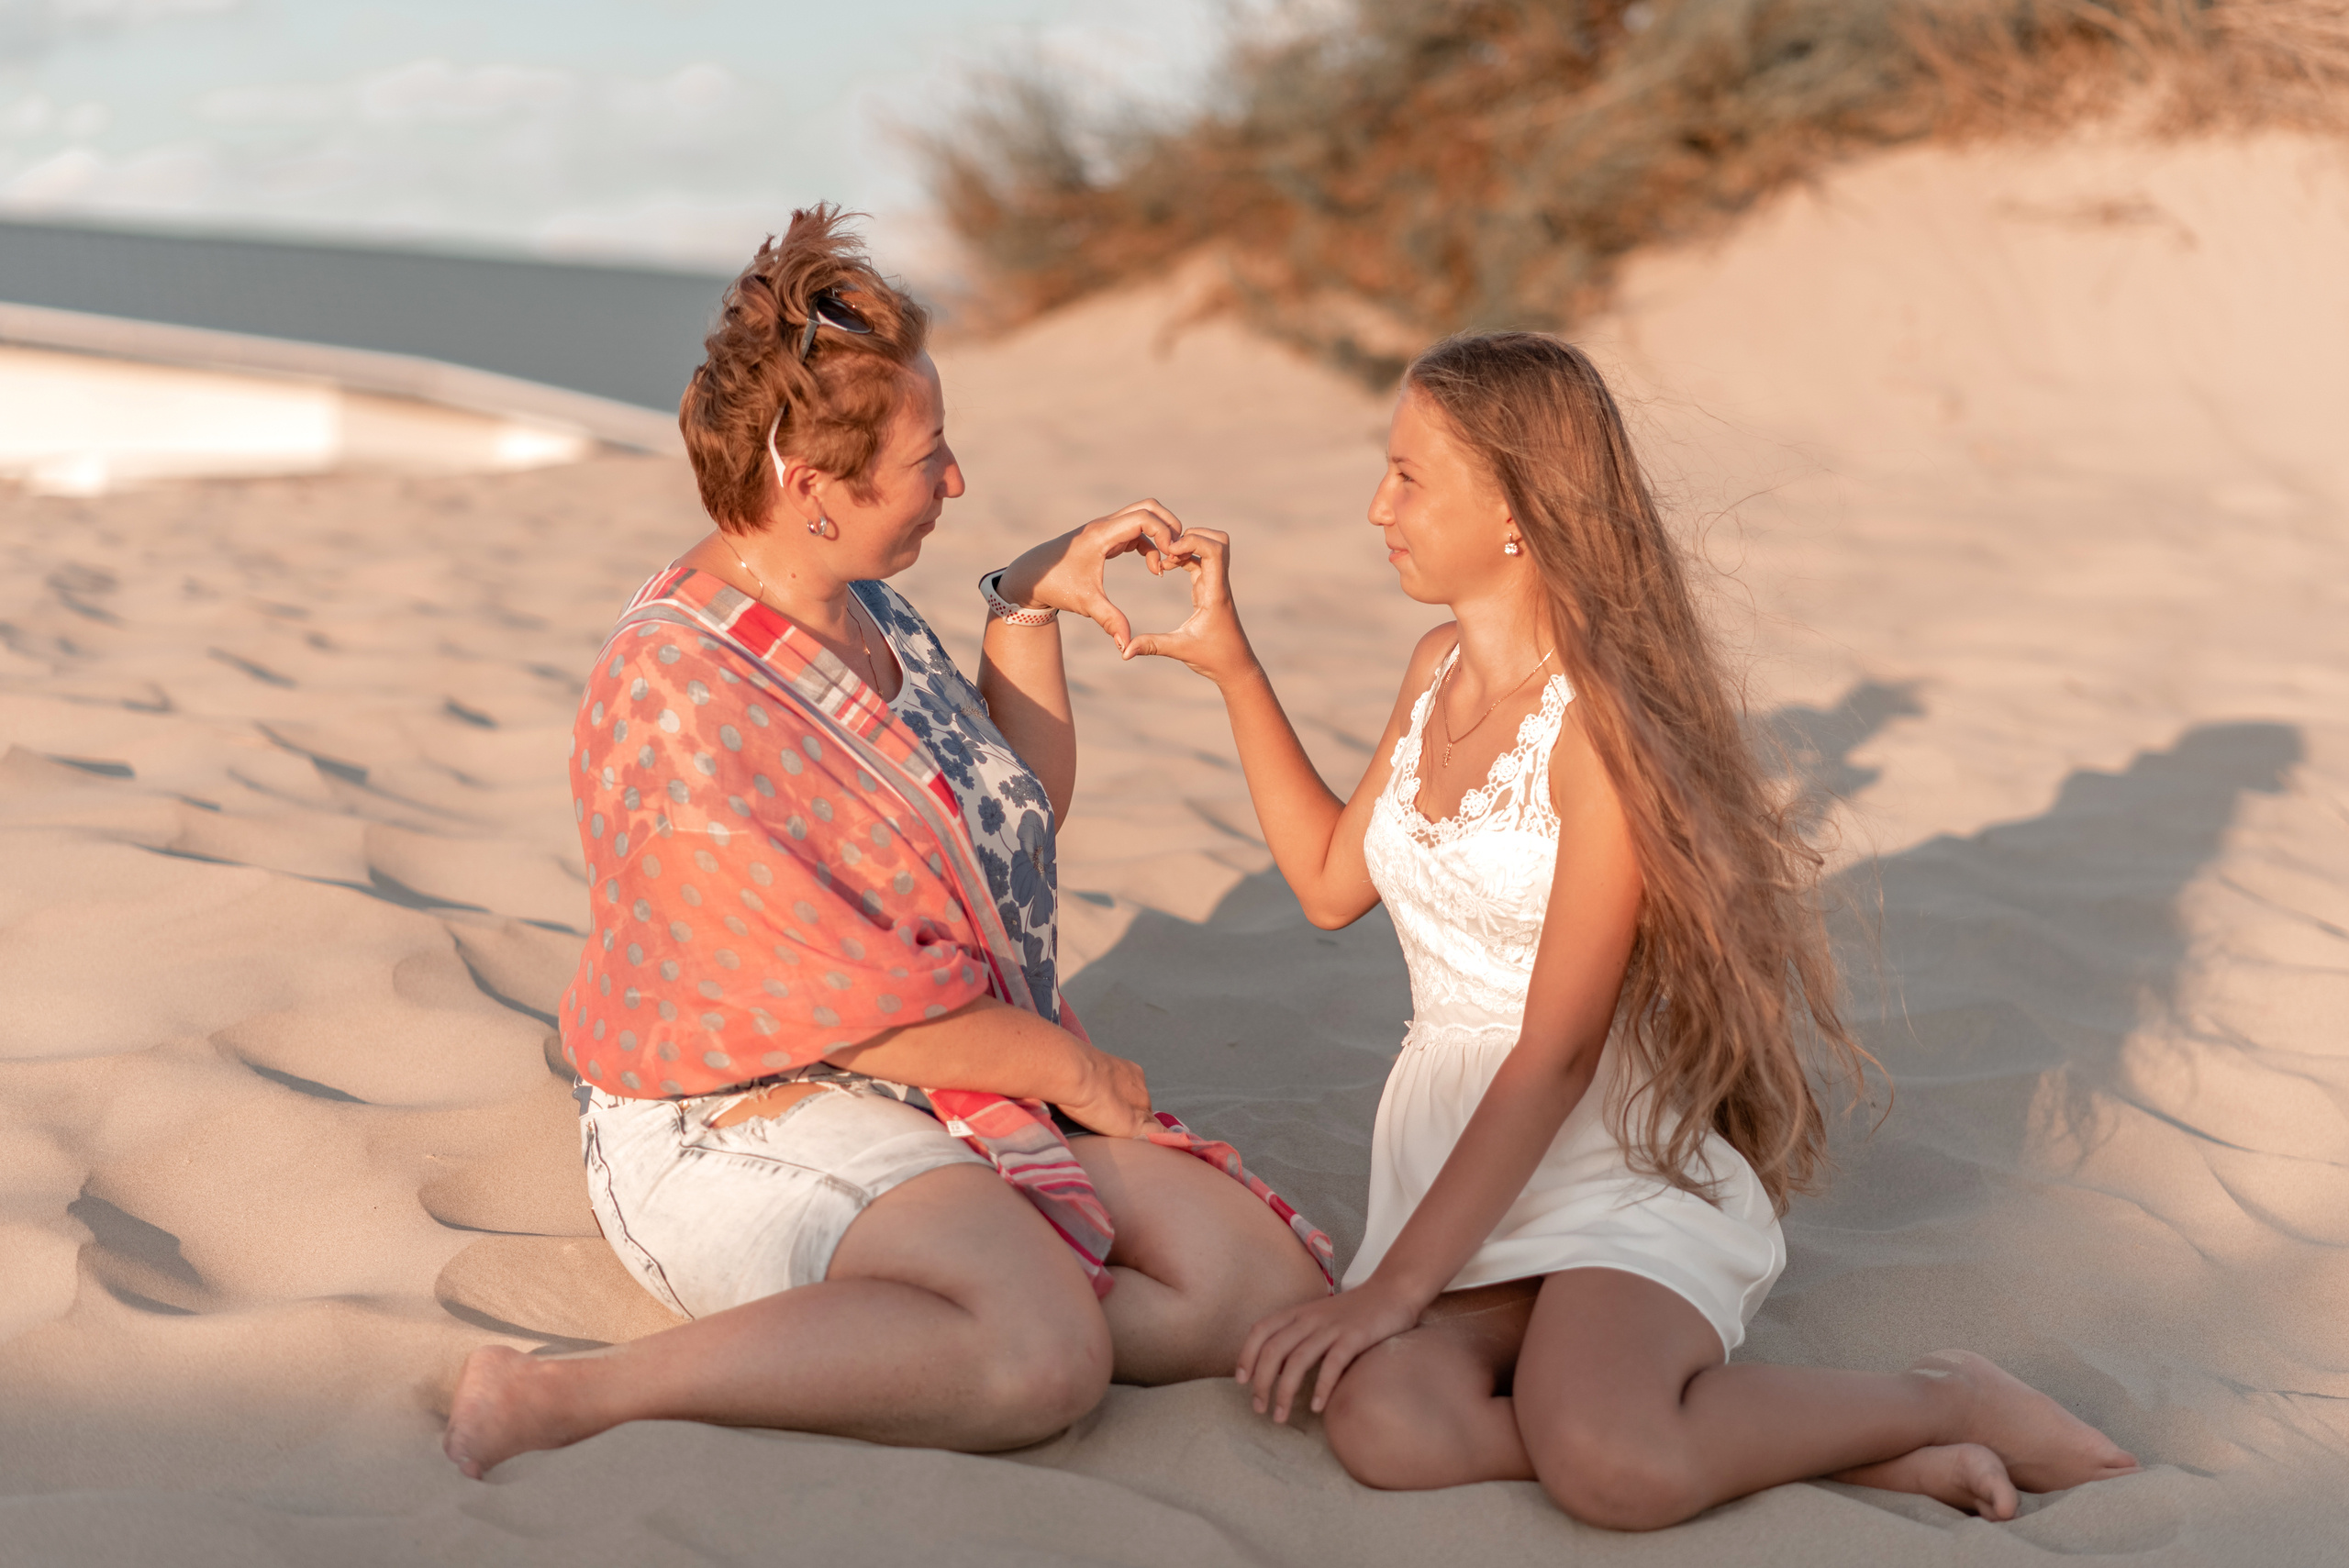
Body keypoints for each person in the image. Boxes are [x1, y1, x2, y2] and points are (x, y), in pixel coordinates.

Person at [1120, 331, 2141, 1528]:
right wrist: (1233, 665)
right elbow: (1331, 883)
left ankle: (1938, 1396)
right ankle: (1797, 1445)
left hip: (1609, 1172)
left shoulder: (1602, 728)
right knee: (1388, 1423)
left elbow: (1554, 1053)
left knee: (1608, 1462)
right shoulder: (1434, 667)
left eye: (1409, 476)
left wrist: (1392, 1290)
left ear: (1515, 506)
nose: (1375, 506)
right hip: (1455, 1172)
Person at [440, 206, 1332, 1479]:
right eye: (931, 457)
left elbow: (1006, 817)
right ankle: (565, 1395)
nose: (955, 481)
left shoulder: (863, 609)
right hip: (748, 1106)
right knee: (1040, 1361)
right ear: (811, 488)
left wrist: (1025, 601)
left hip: (927, 1058)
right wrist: (1066, 1074)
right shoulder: (675, 692)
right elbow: (817, 1002)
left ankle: (923, 1321)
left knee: (1251, 1282)